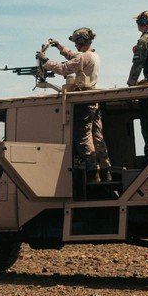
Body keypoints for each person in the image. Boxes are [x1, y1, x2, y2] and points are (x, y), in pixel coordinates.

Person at [36, 28, 111, 183]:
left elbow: (63, 68)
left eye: (77, 42)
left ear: (81, 41)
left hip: (84, 101)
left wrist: (45, 61)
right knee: (97, 136)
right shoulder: (94, 55)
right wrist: (59, 46)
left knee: (83, 137)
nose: (75, 45)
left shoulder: (83, 58)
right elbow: (72, 55)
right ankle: (106, 169)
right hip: (93, 99)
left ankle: (93, 172)